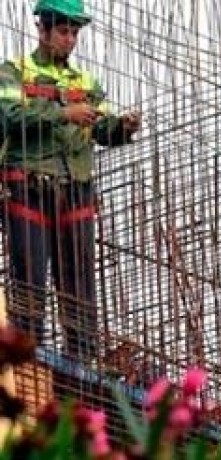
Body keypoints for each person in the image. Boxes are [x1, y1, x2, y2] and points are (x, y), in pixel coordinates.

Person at [0, 0, 141, 363]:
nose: (70, 40)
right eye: (63, 31)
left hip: (76, 189)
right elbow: (10, 116)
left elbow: (102, 129)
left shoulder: (85, 82)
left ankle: (82, 358)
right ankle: (26, 355)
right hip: (29, 185)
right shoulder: (15, 71)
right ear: (42, 29)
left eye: (74, 33)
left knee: (79, 278)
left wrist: (122, 127)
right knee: (29, 275)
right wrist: (64, 112)